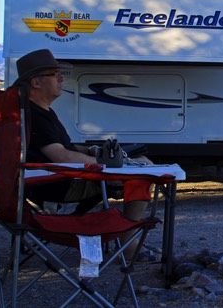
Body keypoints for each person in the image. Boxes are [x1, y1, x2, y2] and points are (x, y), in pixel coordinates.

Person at [15, 48, 159, 262]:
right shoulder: (35, 116)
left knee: (141, 162)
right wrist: (108, 166)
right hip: (60, 183)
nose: (61, 79)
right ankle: (128, 243)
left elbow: (64, 147)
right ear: (36, 83)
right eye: (55, 74)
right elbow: (61, 156)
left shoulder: (39, 111)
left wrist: (93, 151)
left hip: (53, 180)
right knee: (143, 173)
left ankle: (127, 240)